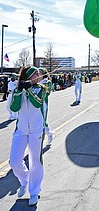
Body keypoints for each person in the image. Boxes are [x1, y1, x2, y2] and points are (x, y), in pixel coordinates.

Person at [9, 66, 46, 206]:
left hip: (36, 130)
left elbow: (38, 103)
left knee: (35, 161)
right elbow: (14, 108)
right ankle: (25, 180)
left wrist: (29, 89)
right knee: (14, 161)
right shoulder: (19, 89)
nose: (39, 75)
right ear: (29, 76)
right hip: (21, 130)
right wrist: (19, 90)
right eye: (36, 73)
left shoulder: (41, 88)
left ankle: (34, 191)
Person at [39, 68, 53, 145]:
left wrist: (40, 83)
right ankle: (49, 132)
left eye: (39, 73)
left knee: (42, 122)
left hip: (43, 104)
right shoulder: (35, 81)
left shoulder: (47, 82)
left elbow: (47, 93)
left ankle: (48, 134)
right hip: (34, 104)